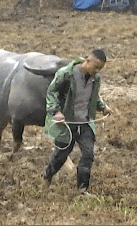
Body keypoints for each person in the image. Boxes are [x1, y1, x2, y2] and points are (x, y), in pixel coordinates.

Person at [43, 49, 112, 194]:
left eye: (100, 69)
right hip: (66, 124)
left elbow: (94, 96)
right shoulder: (66, 74)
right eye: (96, 67)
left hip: (85, 123)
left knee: (88, 155)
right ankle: (47, 176)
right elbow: (52, 92)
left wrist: (102, 107)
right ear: (87, 61)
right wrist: (56, 112)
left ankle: (82, 189)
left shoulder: (95, 78)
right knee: (60, 156)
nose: (98, 71)